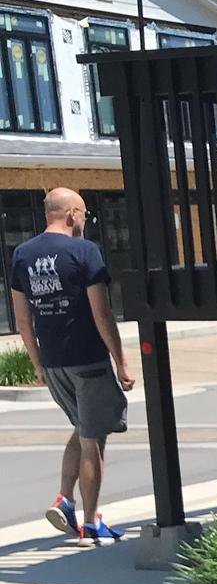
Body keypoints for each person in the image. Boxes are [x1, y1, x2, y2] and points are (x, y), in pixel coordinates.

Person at [7, 187, 135, 545]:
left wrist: (38, 365)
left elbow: (23, 320)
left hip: (54, 363)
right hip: (88, 359)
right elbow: (102, 312)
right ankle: (91, 524)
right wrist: (121, 362)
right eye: (84, 215)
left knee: (84, 428)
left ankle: (65, 500)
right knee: (94, 439)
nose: (85, 221)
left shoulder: (22, 255)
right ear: (72, 214)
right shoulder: (84, 251)